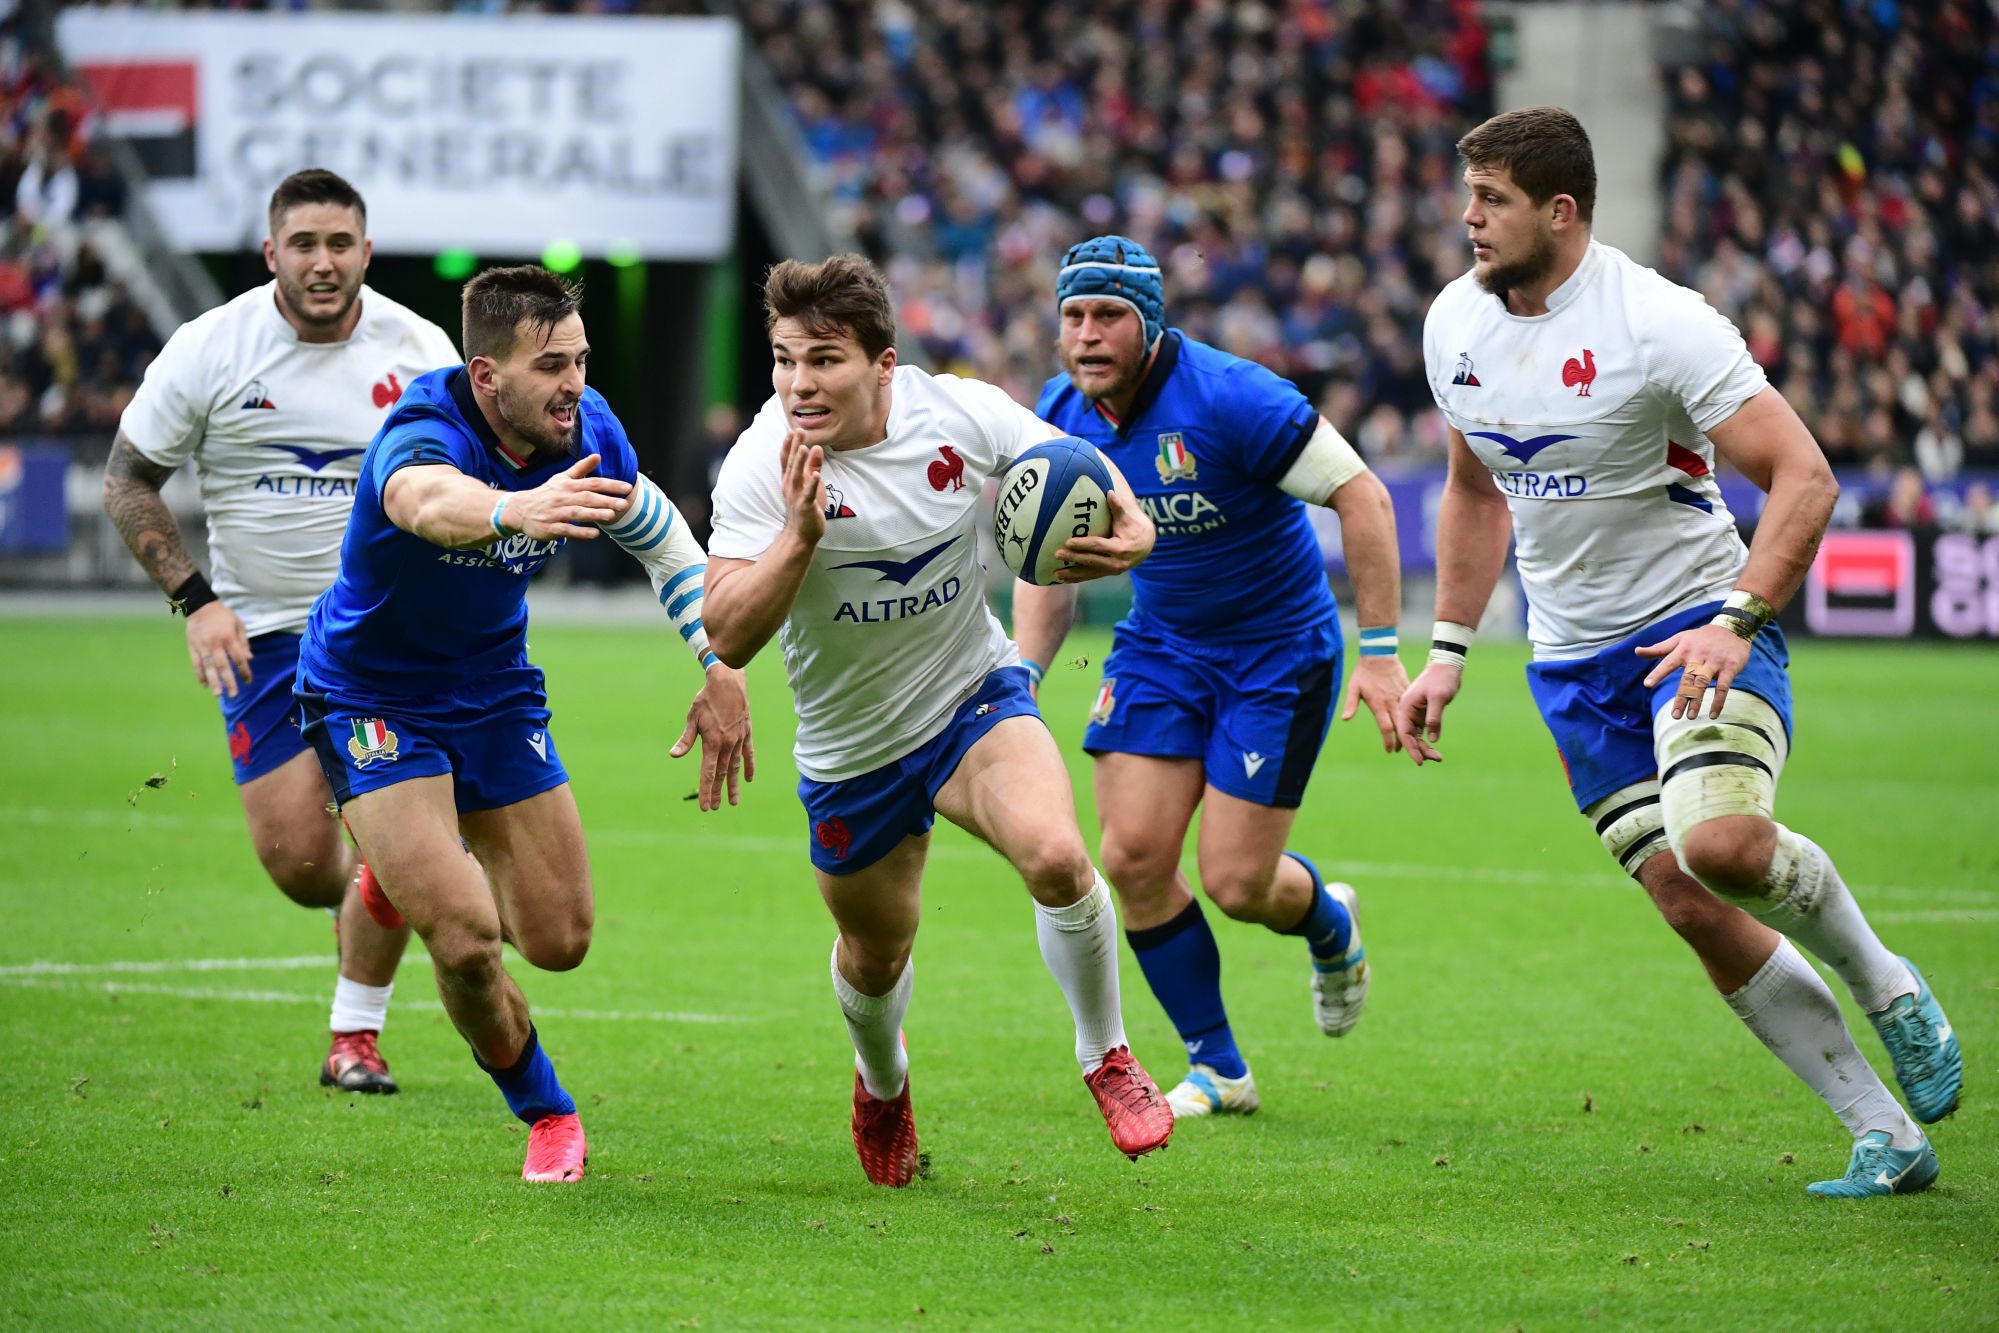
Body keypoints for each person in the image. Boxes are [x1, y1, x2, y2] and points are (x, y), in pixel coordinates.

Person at [1396, 106, 1961, 1198]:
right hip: (1569, 665)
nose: (1467, 219)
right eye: (1466, 197)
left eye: (1491, 201)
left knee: (1727, 847)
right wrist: (1449, 649)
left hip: (1695, 625)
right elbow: (1474, 493)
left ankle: (1890, 985)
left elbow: (1803, 477)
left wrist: (1734, 616)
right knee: (1686, 897)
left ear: (1559, 212)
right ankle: (1883, 1133)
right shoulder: (1451, 326)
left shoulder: (1660, 323)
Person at [702, 254, 1174, 1187]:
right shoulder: (764, 463)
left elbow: (1080, 470)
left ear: (882, 365)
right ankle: (882, 1083)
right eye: (785, 359)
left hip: (971, 693)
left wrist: (1136, 531)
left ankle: (1107, 1055)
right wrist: (798, 538)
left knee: (1055, 855)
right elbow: (728, 631)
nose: (801, 383)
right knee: (876, 956)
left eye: (825, 360)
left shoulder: (956, 410)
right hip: (852, 745)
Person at [294, 265, 752, 1183]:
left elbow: (657, 529)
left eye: (580, 359)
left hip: (495, 691)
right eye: (551, 365)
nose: (574, 383)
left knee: (559, 940)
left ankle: (395, 875)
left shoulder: (587, 430)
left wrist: (717, 660)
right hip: (369, 696)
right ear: (486, 374)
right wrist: (513, 508)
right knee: (464, 937)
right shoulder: (423, 427)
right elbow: (420, 500)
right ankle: (546, 1110)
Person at [1013, 235, 1408, 1119]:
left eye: (1107, 315)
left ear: (1150, 324)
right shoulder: (1058, 414)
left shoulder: (1234, 398)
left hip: (1276, 655)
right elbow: (1046, 562)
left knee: (1236, 884)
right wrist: (1020, 677)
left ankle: (1326, 922)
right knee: (1131, 858)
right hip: (1161, 648)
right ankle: (1218, 1067)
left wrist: (1380, 651)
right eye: (1072, 315)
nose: (1085, 334)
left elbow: (1364, 497)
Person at [102, 169, 457, 1093]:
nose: (323, 261)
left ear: (366, 253)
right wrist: (195, 598)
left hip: (384, 634)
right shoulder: (211, 347)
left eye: (340, 244)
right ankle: (403, 870)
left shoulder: (419, 351)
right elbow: (127, 480)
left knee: (383, 833)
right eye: (303, 244)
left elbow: (467, 481)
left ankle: (356, 1035)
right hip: (261, 637)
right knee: (303, 863)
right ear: (271, 254)